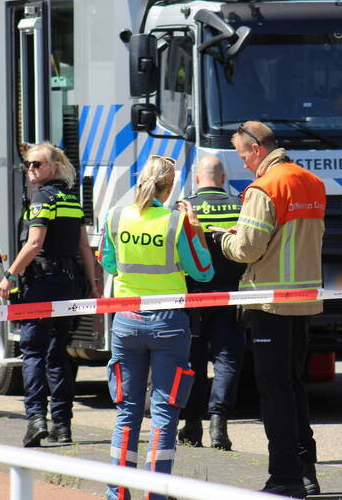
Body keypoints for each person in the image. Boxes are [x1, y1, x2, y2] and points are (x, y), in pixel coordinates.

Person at [218, 121, 326, 498]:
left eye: (242, 154)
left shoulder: (265, 187)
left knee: (274, 390)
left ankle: (284, 477)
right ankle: (306, 471)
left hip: (270, 301)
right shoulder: (312, 182)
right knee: (293, 385)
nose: (243, 163)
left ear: (257, 149)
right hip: (304, 298)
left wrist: (223, 239)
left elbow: (248, 249)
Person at [99, 155, 214, 500]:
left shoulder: (115, 216)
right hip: (168, 324)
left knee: (127, 412)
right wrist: (196, 228)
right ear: (170, 186)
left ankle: (117, 493)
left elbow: (108, 262)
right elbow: (203, 272)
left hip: (126, 321)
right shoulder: (176, 222)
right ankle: (156, 493)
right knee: (164, 413)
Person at [0, 142, 101, 447]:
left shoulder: (42, 197)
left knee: (33, 351)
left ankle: (36, 421)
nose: (31, 169)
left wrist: (9, 275)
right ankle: (63, 425)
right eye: (28, 164)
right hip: (68, 284)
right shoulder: (72, 199)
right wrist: (92, 286)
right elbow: (84, 248)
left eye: (37, 164)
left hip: (42, 284)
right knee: (59, 352)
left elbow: (34, 243)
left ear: (54, 166)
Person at [177, 155, 246, 451]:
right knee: (227, 359)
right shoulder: (239, 206)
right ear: (223, 179)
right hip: (233, 295)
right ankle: (219, 425)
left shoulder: (183, 207)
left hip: (193, 295)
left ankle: (192, 425)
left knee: (192, 361)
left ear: (196, 178)